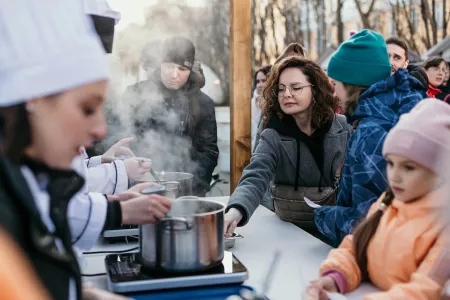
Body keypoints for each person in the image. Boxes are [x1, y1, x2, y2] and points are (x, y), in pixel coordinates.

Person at [0, 0, 172, 299]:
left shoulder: (24, 183)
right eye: (87, 107)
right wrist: (118, 207)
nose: (100, 130)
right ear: (32, 103)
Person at [305, 99, 450, 300]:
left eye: (409, 167)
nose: (395, 176)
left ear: (440, 172)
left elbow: (426, 289)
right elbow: (356, 248)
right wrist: (334, 278)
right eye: (390, 163)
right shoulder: (389, 202)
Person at [314, 29, 426, 247]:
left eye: (335, 84)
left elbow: (371, 225)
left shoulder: (372, 132)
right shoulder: (404, 111)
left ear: (351, 83)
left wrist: (324, 217)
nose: (334, 94)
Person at [224, 57, 352, 242]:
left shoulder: (343, 127)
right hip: (289, 233)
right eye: (281, 88)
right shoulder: (273, 134)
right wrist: (235, 212)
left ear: (315, 90)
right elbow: (255, 176)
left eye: (296, 87)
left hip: (337, 234)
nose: (287, 94)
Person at [123, 36, 219, 196]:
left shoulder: (203, 104)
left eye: (182, 69)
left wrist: (188, 190)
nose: (174, 75)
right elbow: (120, 139)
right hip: (140, 189)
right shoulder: (136, 95)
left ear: (190, 70)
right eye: (169, 66)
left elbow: (208, 153)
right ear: (160, 64)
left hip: (187, 191)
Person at [251, 65, 271, 151]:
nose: (259, 85)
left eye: (263, 80)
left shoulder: (274, 105)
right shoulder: (250, 104)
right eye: (257, 81)